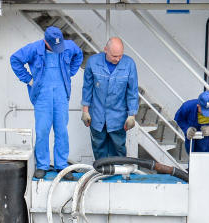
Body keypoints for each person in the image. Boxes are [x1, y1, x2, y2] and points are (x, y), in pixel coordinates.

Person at [10, 26, 83, 178]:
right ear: (46, 41)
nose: (58, 48)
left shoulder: (69, 46)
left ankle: (61, 166)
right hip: (42, 96)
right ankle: (42, 165)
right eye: (54, 46)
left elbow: (79, 55)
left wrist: (70, 73)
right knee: (42, 131)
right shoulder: (34, 49)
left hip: (61, 94)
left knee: (61, 130)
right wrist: (29, 80)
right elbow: (15, 59)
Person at [81, 37, 139, 160]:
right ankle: (101, 176)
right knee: (98, 148)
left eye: (120, 56)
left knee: (118, 149)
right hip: (97, 115)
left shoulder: (129, 64)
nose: (118, 59)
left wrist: (132, 115)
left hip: (118, 117)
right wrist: (85, 111)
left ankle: (117, 177)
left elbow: (132, 92)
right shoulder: (93, 62)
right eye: (114, 56)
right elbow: (87, 87)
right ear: (105, 50)